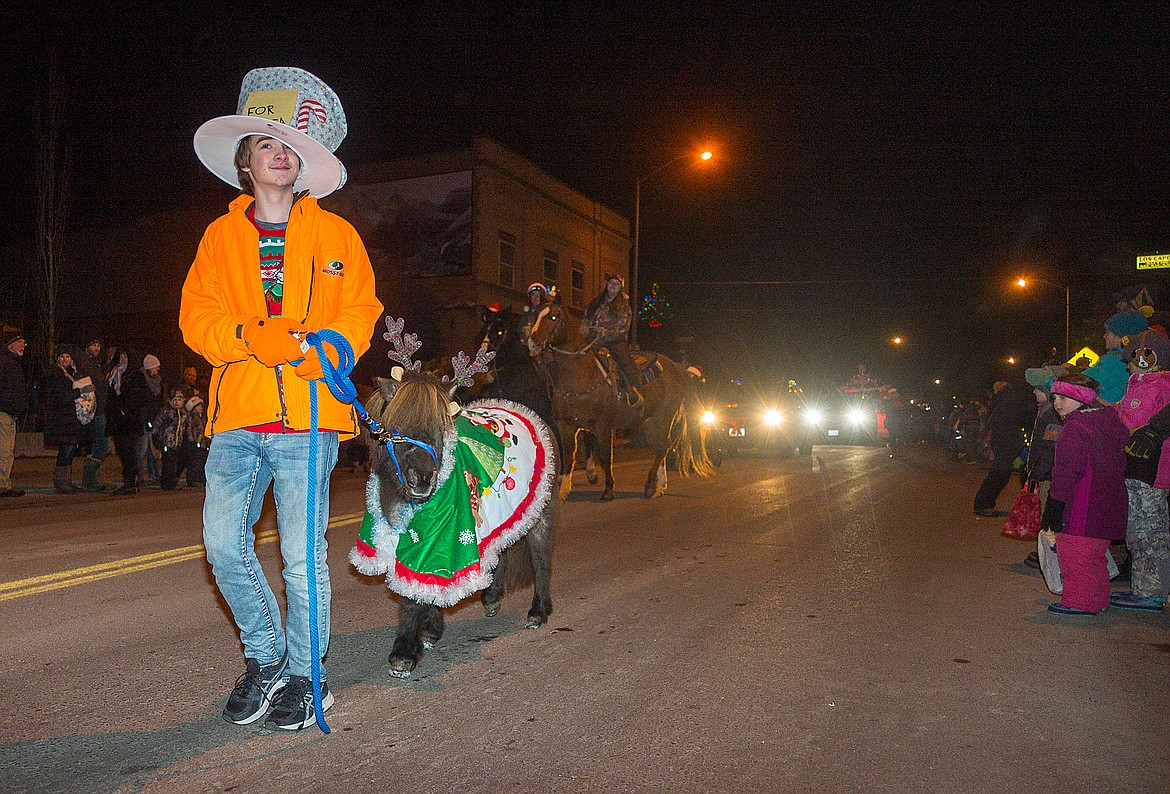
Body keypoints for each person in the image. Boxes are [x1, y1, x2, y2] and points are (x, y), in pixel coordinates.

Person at [181, 67, 381, 731]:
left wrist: (331, 347)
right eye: (266, 143)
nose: (280, 153)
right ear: (246, 160)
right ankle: (266, 659)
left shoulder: (337, 237)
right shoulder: (218, 238)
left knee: (302, 558)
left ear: (305, 165)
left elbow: (360, 308)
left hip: (309, 419)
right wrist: (248, 337)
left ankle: (307, 675)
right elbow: (196, 322)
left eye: (291, 147)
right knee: (223, 549)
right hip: (237, 418)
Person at [1044, 373, 1129, 615]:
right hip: (1108, 502)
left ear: (1081, 399)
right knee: (1095, 556)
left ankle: (1079, 602)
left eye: (1063, 397)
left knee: (1075, 554)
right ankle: (1098, 598)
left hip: (1083, 502)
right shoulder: (1106, 422)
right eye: (1055, 397)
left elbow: (1067, 470)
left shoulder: (1076, 427)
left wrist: (1055, 503)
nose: (1057, 403)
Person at [1109, 329, 1170, 612]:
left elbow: (1142, 424)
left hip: (1151, 468)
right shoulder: (1138, 383)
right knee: (1137, 530)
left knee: (1149, 531)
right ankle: (1141, 588)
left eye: (1130, 358)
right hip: (1136, 466)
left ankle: (1152, 592)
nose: (1127, 363)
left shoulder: (1161, 385)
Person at [972, 379, 1036, 516]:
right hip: (1009, 441)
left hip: (1004, 441)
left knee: (1005, 472)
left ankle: (1027, 506)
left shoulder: (999, 402)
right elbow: (1026, 418)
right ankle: (1029, 506)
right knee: (1005, 473)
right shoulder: (1013, 402)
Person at [581, 274, 641, 405]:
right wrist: (584, 328)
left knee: (624, 361)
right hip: (592, 341)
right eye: (611, 283)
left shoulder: (623, 306)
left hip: (614, 342)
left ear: (620, 288)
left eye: (617, 284)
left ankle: (634, 390)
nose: (613, 286)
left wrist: (605, 333)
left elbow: (623, 328)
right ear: (606, 285)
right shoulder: (595, 303)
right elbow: (586, 318)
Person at [43, 347, 93, 493]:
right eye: (62, 356)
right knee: (67, 449)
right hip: (62, 417)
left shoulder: (72, 373)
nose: (65, 359)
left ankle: (65, 480)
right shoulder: (56, 374)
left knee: (70, 449)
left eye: (67, 356)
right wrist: (80, 391)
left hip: (71, 417)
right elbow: (62, 396)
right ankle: (62, 481)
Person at [106, 348, 149, 495]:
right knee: (122, 451)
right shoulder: (113, 374)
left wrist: (126, 408)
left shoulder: (135, 375)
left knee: (130, 452)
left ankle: (131, 481)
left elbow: (140, 396)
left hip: (130, 420)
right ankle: (131, 480)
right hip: (118, 421)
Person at [1084, 309, 1147, 406]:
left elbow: (1079, 383)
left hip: (1102, 416)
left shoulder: (1115, 361)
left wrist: (1051, 378)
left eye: (1108, 332)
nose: (1104, 336)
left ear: (1120, 335)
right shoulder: (1133, 359)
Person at [75, 337, 111, 492]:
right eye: (93, 345)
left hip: (100, 408)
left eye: (98, 345)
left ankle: (93, 479)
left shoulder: (96, 364)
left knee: (100, 445)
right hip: (96, 410)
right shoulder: (86, 364)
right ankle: (89, 481)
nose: (97, 348)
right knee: (100, 445)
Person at [0, 330, 30, 497]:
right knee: (3, 449)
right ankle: (2, 484)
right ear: (9, 344)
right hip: (3, 411)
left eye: (23, 342)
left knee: (8, 450)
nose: (23, 345)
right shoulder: (4, 361)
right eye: (19, 342)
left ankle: (4, 482)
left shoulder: (14, 363)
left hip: (11, 412)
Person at [151, 388, 188, 490]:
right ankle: (167, 483)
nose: (177, 402)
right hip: (167, 442)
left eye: (179, 400)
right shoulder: (166, 411)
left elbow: (183, 429)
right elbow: (157, 424)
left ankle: (171, 482)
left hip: (177, 442)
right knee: (168, 463)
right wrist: (156, 437)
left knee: (174, 463)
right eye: (175, 400)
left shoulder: (183, 414)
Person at [137, 354, 164, 486]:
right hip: (144, 419)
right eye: (155, 367)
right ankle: (139, 476)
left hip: (153, 419)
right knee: (142, 449)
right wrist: (147, 419)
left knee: (152, 450)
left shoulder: (156, 381)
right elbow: (144, 403)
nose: (158, 369)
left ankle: (153, 475)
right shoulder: (142, 382)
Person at [182, 395, 208, 486]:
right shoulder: (192, 417)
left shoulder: (201, 417)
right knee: (194, 462)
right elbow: (189, 429)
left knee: (201, 461)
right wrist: (192, 441)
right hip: (195, 443)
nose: (201, 407)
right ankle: (193, 479)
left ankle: (200, 478)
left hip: (202, 443)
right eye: (198, 406)